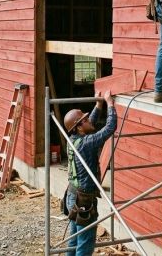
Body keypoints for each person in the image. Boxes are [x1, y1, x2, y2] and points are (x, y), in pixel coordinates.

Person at [62, 91, 117, 256]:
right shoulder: (86, 143)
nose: (88, 120)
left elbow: (89, 125)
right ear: (78, 126)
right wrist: (110, 104)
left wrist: (98, 106)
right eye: (84, 120)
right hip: (84, 199)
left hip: (72, 195)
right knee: (85, 244)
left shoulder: (74, 139)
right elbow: (109, 128)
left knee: (75, 238)